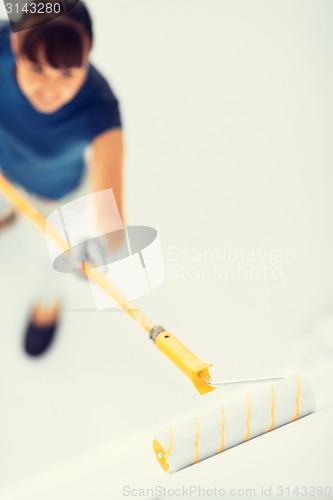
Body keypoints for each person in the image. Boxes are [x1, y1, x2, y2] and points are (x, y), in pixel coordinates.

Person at [0, 0, 125, 356]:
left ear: (88, 56)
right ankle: (7, 214)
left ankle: (47, 300)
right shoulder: (1, 38)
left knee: (50, 258)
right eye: (36, 67)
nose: (49, 89)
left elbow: (110, 216)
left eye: (68, 73)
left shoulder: (100, 108)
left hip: (54, 199)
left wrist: (101, 245)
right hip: (3, 172)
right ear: (14, 43)